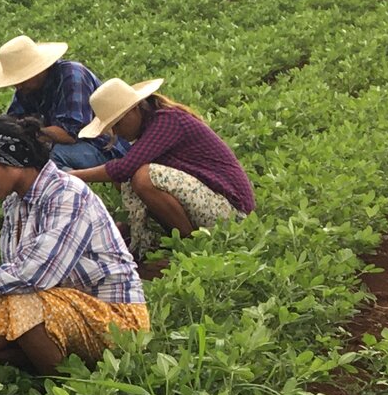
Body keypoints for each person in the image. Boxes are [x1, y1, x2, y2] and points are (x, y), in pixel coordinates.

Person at [0, 115, 148, 374]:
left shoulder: (67, 194)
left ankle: (69, 389)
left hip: (116, 318)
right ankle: (59, 365)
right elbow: (16, 277)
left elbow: (35, 275)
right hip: (60, 306)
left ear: (10, 158)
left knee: (22, 307)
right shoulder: (15, 204)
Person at [74, 75, 255, 259]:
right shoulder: (153, 124)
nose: (117, 132)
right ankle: (155, 241)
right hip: (213, 206)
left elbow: (123, 168)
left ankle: (190, 247)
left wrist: (72, 176)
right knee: (125, 182)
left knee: (143, 177)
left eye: (118, 123)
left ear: (134, 109)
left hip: (232, 214)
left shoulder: (167, 120)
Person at [0, 34, 123, 170]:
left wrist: (31, 132)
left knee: (50, 158)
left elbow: (70, 135)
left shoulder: (72, 77)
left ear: (38, 69)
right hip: (61, 143)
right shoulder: (26, 89)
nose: (18, 86)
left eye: (21, 79)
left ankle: (67, 190)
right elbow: (14, 120)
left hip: (101, 146)